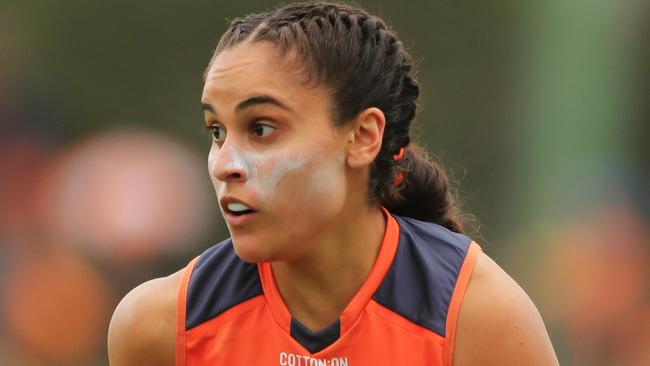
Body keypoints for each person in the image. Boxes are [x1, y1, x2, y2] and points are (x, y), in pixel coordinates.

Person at [108, 2, 559, 365]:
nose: (225, 164)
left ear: (363, 137)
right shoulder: (160, 327)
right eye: (216, 132)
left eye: (261, 128)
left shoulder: (479, 320)